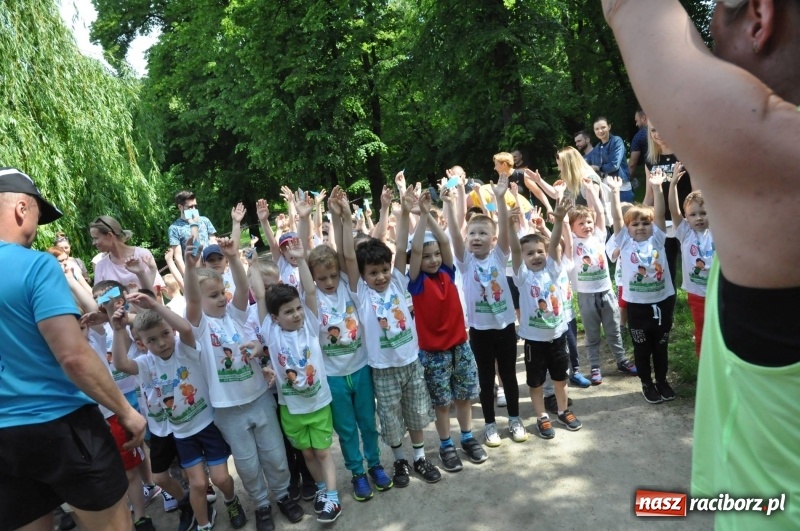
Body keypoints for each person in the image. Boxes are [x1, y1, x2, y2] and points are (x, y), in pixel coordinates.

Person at [0, 167, 147, 531]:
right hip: (61, 425)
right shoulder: (35, 265)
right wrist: (125, 411)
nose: (37, 229)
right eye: (37, 214)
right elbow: (73, 356)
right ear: (21, 208)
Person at [184, 214, 305, 530]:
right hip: (228, 410)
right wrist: (189, 268)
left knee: (275, 455)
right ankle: (261, 506)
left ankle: (282, 496)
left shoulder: (236, 316)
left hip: (259, 398)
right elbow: (194, 302)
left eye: (220, 293)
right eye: (213, 296)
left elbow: (239, 285)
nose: (221, 298)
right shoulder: (197, 328)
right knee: (248, 465)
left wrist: (234, 256)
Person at [301, 188, 393, 501]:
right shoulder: (311, 300)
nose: (328, 281)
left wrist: (342, 215)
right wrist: (305, 218)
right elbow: (303, 259)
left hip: (361, 366)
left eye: (332, 275)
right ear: (313, 278)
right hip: (334, 376)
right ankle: (356, 472)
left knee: (368, 421)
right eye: (322, 277)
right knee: (347, 429)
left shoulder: (349, 286)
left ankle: (376, 465)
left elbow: (348, 254)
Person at [354, 187, 441, 487]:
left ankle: (419, 457)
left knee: (416, 412)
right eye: (373, 272)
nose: (380, 276)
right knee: (391, 419)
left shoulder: (400, 281)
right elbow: (348, 260)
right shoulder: (361, 294)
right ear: (363, 276)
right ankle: (400, 460)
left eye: (383, 270)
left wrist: (405, 211)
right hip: (383, 369)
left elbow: (409, 249)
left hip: (410, 362)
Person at [256, 238, 341, 523]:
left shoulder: (311, 327)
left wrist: (301, 259)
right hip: (291, 408)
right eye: (288, 311)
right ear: (274, 318)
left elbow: (310, 292)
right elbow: (258, 296)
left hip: (318, 404)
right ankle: (319, 489)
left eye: (297, 308)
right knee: (306, 454)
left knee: (323, 452)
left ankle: (332, 498)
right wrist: (249, 263)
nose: (296, 314)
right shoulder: (272, 333)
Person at [446, 170, 528, 447]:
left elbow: (505, 229)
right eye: (472, 233)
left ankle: (515, 419)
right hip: (479, 331)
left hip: (505, 326)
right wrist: (450, 203)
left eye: (483, 233)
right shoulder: (464, 262)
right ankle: (490, 425)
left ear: (493, 240)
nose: (477, 237)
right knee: (484, 379)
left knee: (508, 375)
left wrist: (502, 200)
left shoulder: (499, 255)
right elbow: (454, 235)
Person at [410, 189, 486, 472]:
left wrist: (429, 214)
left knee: (463, 396)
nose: (431, 259)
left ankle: (467, 437)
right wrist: (419, 220)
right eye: (426, 256)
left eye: (435, 255)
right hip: (433, 354)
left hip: (460, 347)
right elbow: (416, 250)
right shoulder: (415, 282)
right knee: (442, 403)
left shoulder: (447, 272)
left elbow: (444, 241)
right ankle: (445, 444)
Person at [510, 197, 583, 439]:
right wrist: (511, 227)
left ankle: (563, 411)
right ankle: (542, 416)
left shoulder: (553, 269)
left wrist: (560, 219)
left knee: (561, 378)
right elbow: (514, 251)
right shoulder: (521, 276)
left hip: (558, 336)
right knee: (536, 382)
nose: (536, 256)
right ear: (522, 258)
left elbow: (554, 246)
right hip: (534, 340)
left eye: (539, 251)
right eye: (529, 253)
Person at [608, 174, 676, 404]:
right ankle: (647, 383)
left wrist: (657, 187)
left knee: (661, 347)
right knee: (642, 348)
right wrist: (615, 192)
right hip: (637, 306)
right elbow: (617, 217)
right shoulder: (624, 241)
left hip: (662, 301)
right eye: (635, 224)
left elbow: (659, 213)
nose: (640, 227)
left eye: (645, 223)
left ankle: (662, 381)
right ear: (627, 229)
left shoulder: (658, 239)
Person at [566, 176, 637, 384]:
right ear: (572, 228)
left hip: (606, 291)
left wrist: (592, 193)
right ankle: (595, 366)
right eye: (581, 223)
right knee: (592, 334)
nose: (587, 225)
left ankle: (621, 360)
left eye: (588, 222)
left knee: (614, 329)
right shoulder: (571, 242)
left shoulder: (598, 236)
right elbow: (563, 227)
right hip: (586, 296)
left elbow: (599, 214)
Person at [643, 122, 694, 296]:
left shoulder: (685, 155)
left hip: (685, 221)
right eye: (653, 130)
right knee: (665, 267)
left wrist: (694, 216)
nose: (657, 134)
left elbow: (695, 192)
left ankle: (700, 303)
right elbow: (649, 195)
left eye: (661, 128)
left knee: (694, 264)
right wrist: (640, 215)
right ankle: (667, 309)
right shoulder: (650, 160)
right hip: (661, 223)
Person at [668, 181, 713, 357]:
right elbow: (673, 211)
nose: (699, 218)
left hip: (719, 292)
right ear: (686, 217)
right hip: (697, 294)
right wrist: (673, 186)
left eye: (703, 213)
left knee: (723, 330)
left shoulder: (718, 230)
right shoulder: (685, 233)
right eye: (693, 214)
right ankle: (703, 367)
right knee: (701, 330)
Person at [90, 215, 165, 292]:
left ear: (110, 235)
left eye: (96, 238)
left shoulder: (142, 255)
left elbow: (155, 293)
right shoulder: (100, 266)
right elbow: (99, 299)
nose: (93, 243)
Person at [168, 191, 218, 275]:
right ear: (180, 207)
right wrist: (188, 278)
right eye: (190, 207)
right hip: (194, 271)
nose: (194, 209)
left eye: (195, 206)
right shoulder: (174, 228)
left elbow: (214, 242)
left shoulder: (205, 220)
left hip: (211, 267)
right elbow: (178, 257)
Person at [586, 117, 634, 202]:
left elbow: (614, 165)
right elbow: (587, 165)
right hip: (605, 189)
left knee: (626, 214)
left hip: (621, 187)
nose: (600, 131)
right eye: (596, 129)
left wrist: (598, 168)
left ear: (609, 127)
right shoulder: (597, 148)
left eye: (603, 127)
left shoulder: (616, 141)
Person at [628, 109, 648, 182]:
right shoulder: (664, 131)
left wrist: (628, 180)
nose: (636, 124)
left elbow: (632, 164)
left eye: (637, 121)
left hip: (652, 172)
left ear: (643, 118)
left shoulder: (639, 137)